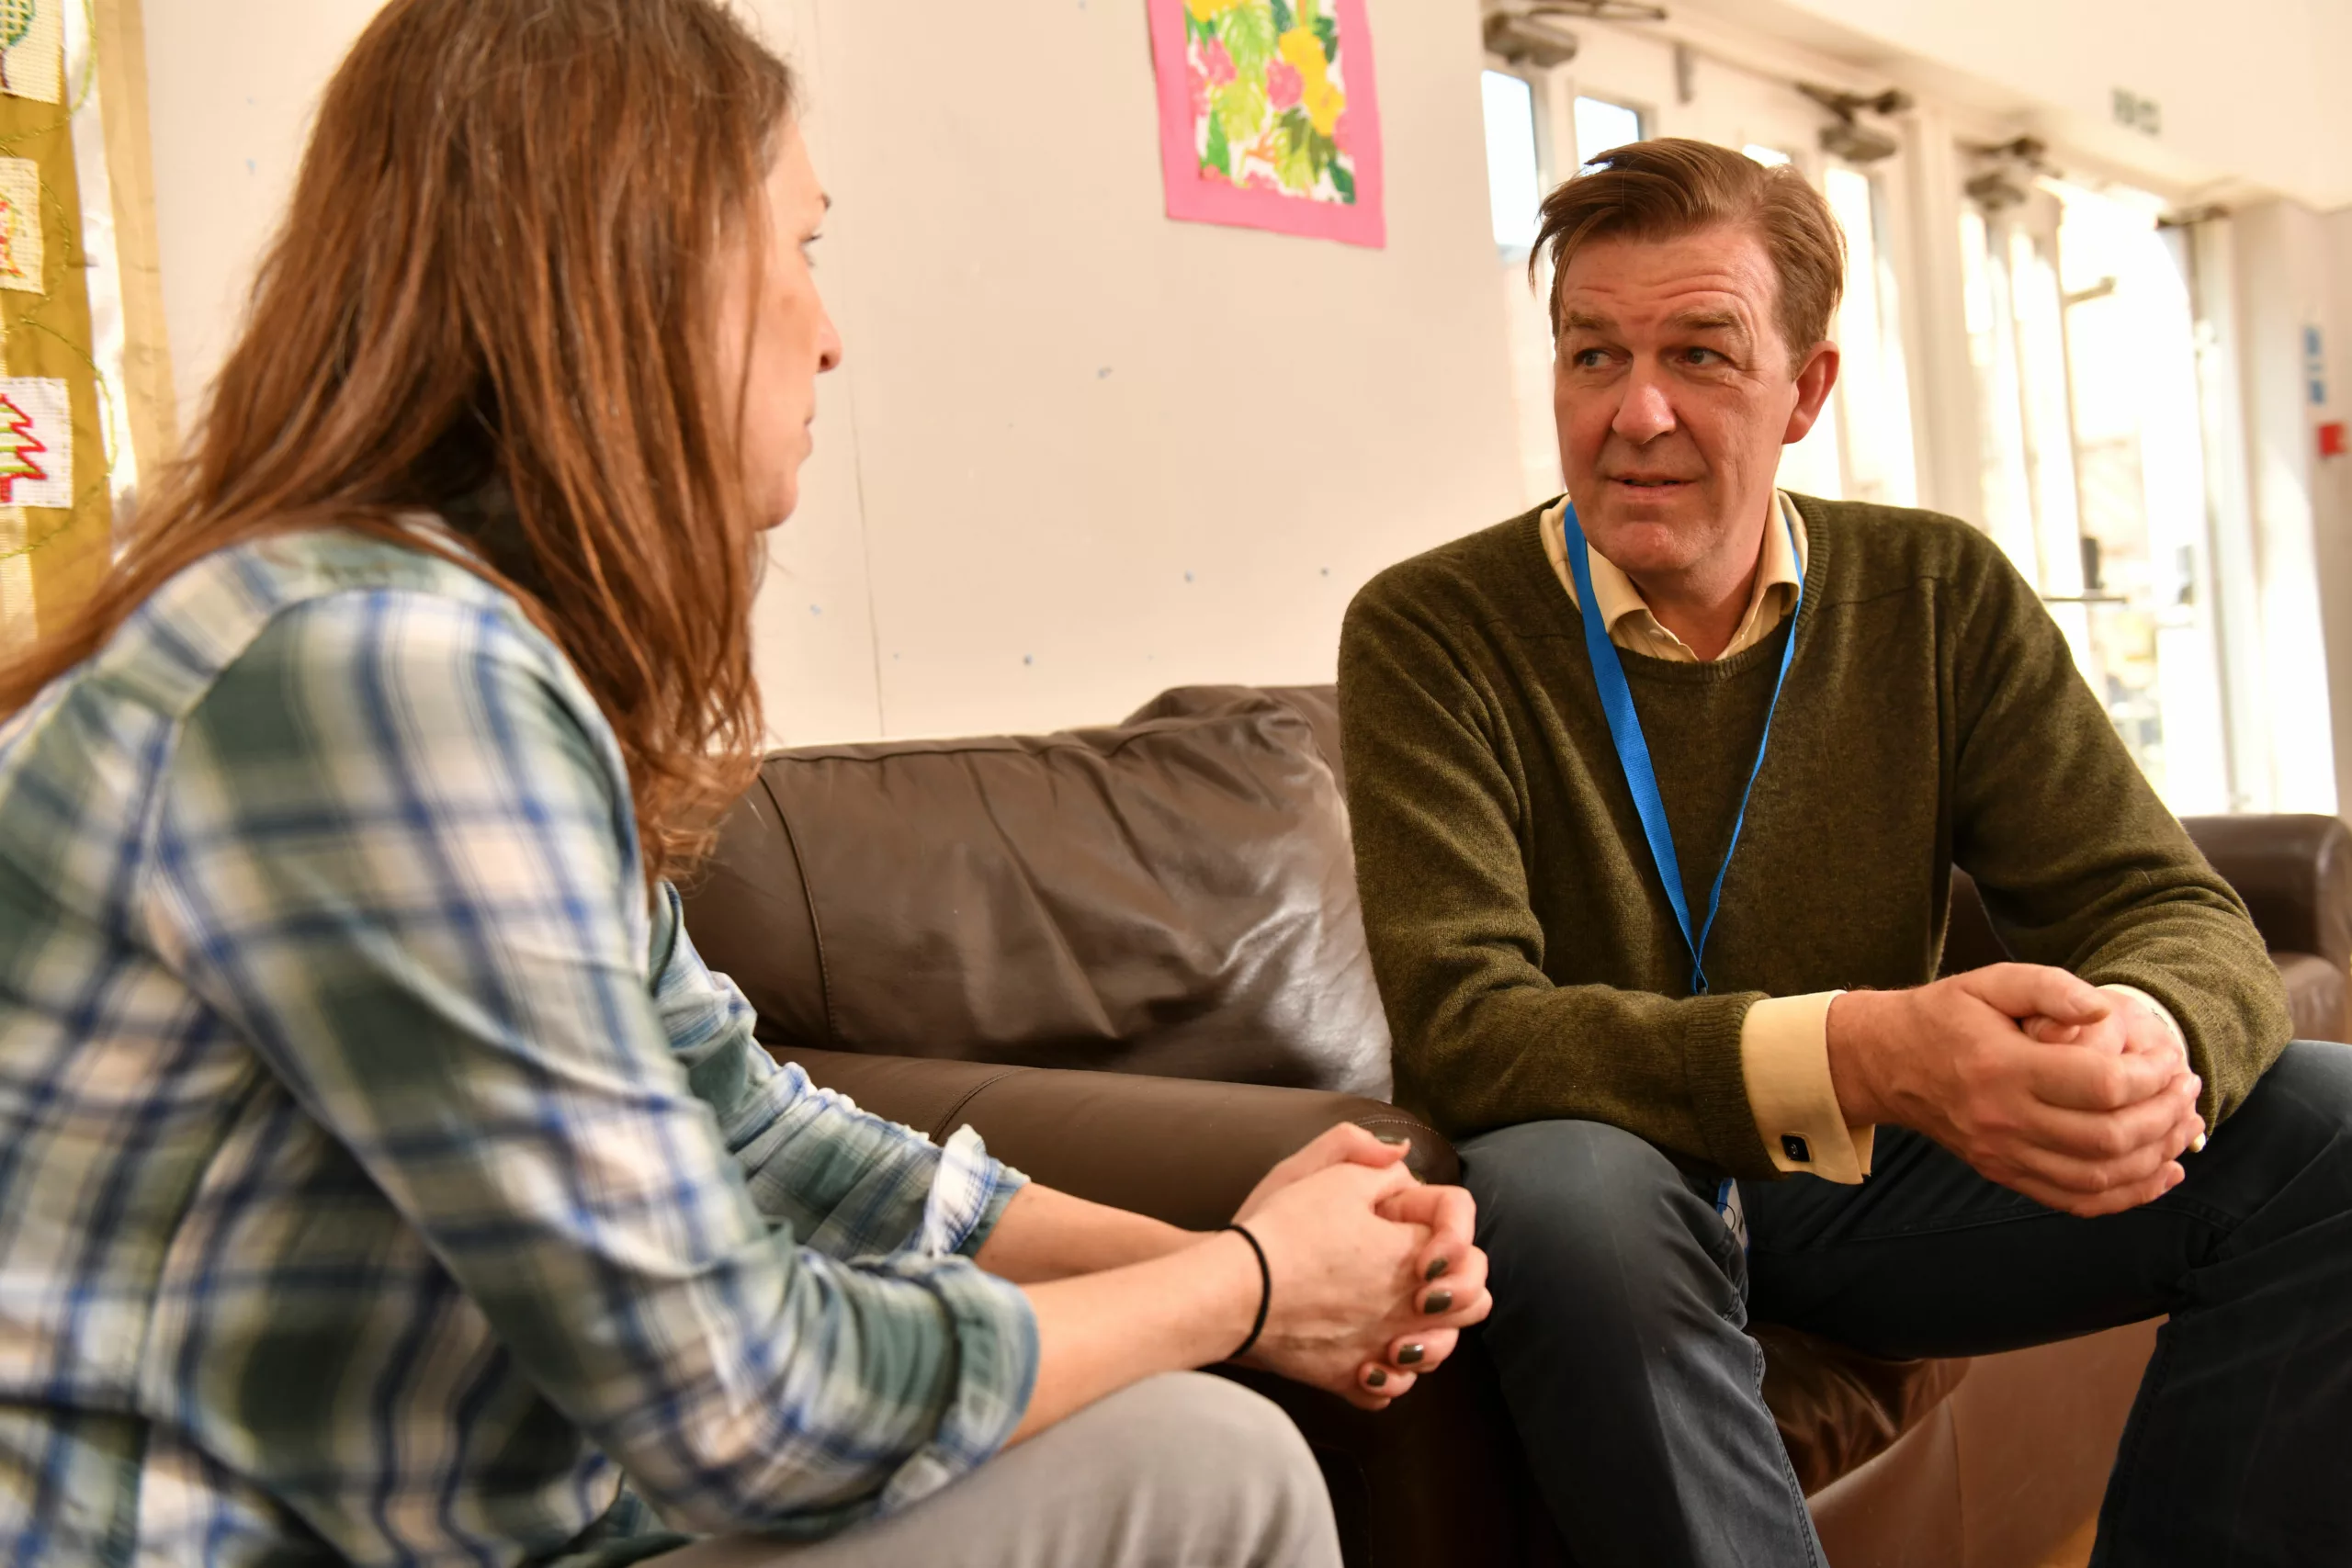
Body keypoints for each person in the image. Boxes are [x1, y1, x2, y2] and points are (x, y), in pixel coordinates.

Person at [0, 3, 1493, 1563]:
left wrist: (1231, 1256)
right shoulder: (382, 676)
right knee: (1205, 1470)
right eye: (802, 245)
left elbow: (752, 1124)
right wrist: (1246, 1286)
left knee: (1190, 1443)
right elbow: (749, 1409)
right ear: (640, 274)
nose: (829, 328)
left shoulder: (432, 640)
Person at [1338, 137, 2352, 1567]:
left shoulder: (1937, 594)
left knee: (2334, 1126)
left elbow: (2158, 897)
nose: (1636, 412)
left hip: (1866, 1189)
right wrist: (1870, 1050)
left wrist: (2149, 1037)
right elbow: (1464, 1031)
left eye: (1701, 353)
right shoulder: (1430, 631)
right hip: (1613, 1188)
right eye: (1591, 356)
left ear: (1807, 389)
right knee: (1569, 1187)